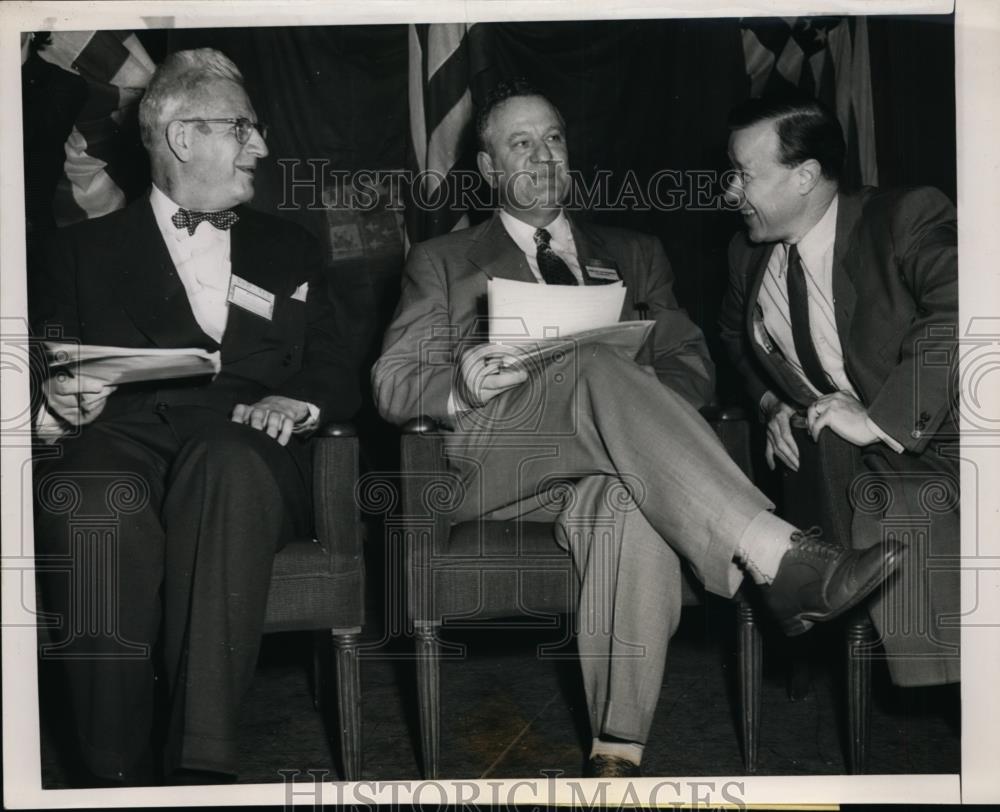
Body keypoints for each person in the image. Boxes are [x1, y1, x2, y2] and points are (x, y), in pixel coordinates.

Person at [373, 80, 902, 777]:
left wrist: (638, 397)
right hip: (497, 464)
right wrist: (457, 385)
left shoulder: (635, 252)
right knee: (594, 365)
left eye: (554, 138)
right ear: (488, 170)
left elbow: (690, 364)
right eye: (520, 144)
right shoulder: (440, 261)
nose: (543, 156)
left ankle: (616, 755)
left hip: (615, 464)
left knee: (626, 499)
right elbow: (390, 382)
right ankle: (779, 554)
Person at [30, 48, 360, 785]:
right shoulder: (78, 251)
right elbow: (43, 366)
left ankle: (199, 768)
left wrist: (296, 399)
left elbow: (338, 359)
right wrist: (55, 402)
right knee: (88, 496)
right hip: (121, 436)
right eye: (244, 128)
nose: (263, 146)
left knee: (227, 464)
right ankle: (108, 778)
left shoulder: (290, 245)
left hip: (249, 438)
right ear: (183, 136)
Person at [718, 93, 959, 687]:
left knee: (895, 506)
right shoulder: (746, 256)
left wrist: (880, 421)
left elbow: (970, 303)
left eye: (743, 175)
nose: (728, 192)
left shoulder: (903, 219)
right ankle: (809, 584)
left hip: (946, 441)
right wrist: (775, 401)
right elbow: (732, 335)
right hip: (833, 461)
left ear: (804, 177)